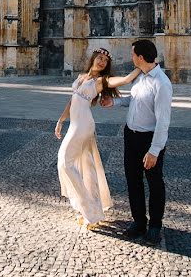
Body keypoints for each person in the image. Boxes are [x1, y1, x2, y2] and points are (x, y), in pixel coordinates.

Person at [55, 48, 141, 229]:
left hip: (84, 125)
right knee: (84, 166)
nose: (102, 62)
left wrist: (141, 65)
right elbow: (72, 101)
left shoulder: (101, 81)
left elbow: (125, 80)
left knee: (65, 163)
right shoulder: (81, 77)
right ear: (93, 58)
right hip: (75, 124)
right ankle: (90, 209)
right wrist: (61, 120)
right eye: (99, 58)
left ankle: (90, 209)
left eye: (105, 61)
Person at [101, 39, 173, 244]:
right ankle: (139, 221)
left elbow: (163, 122)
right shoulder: (140, 77)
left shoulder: (162, 83)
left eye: (133, 54)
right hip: (130, 135)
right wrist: (114, 102)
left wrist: (154, 151)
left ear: (141, 57)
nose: (131, 57)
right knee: (133, 181)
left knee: (155, 183)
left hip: (148, 139)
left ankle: (155, 226)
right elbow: (133, 100)